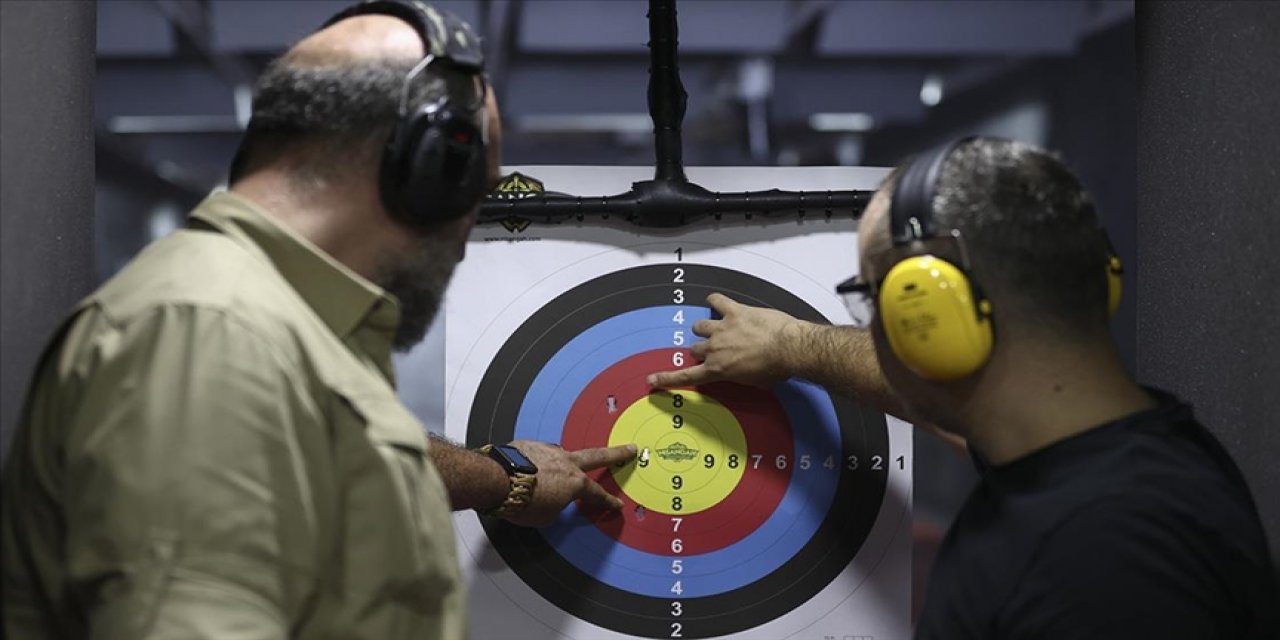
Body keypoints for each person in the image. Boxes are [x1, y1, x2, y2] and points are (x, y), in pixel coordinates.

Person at [1, 2, 633, 638]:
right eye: (472, 193)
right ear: (425, 170)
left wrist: (506, 480)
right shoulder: (210, 333)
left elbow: (334, 457)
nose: (465, 237)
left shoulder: (269, 323)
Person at [649, 137, 1278, 638]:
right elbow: (944, 395)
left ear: (934, 319)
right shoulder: (1101, 458)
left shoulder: (1105, 558)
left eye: (880, 301)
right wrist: (791, 345)